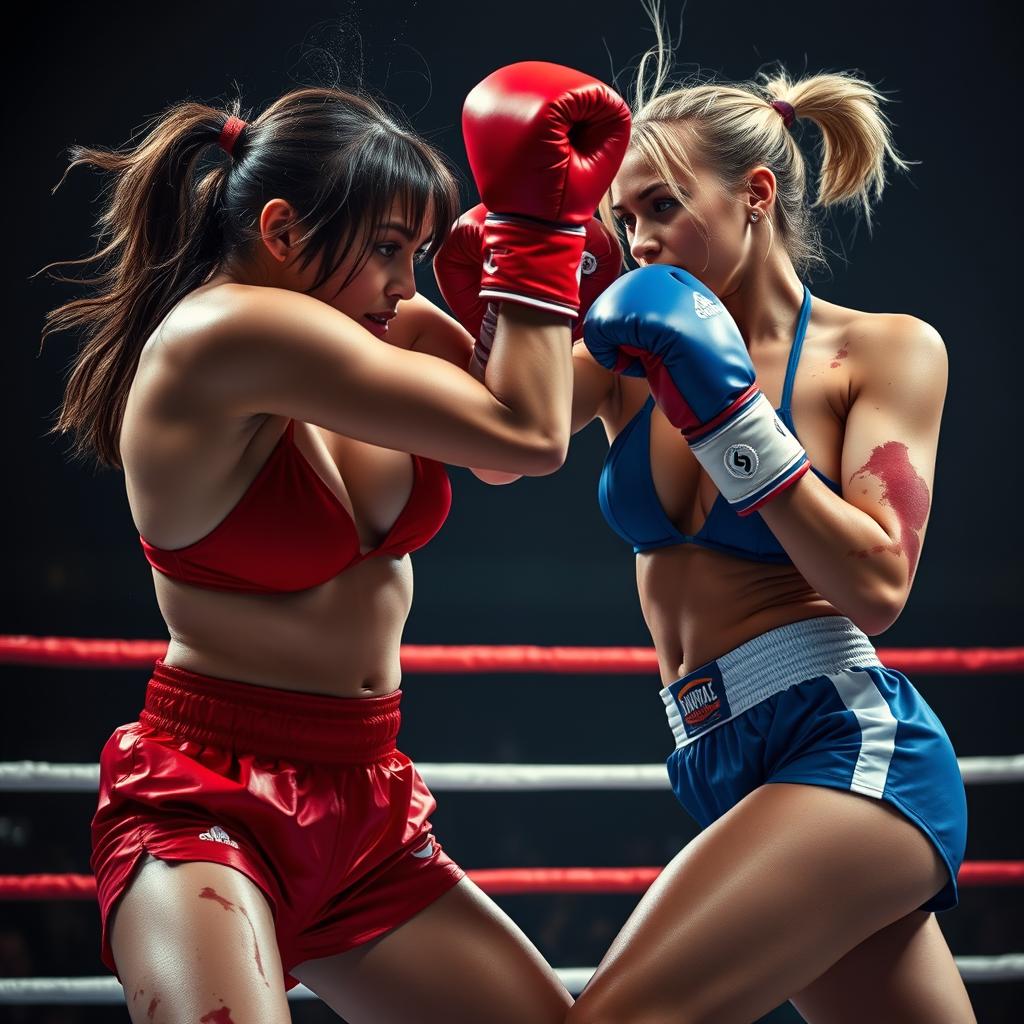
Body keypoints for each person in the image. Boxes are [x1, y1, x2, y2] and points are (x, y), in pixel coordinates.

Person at [42, 64, 629, 1023]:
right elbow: (526, 432)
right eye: (391, 248)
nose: (406, 282)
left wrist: (639, 305)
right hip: (210, 801)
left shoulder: (370, 325)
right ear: (279, 233)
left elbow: (513, 446)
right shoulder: (225, 331)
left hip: (368, 802)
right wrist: (537, 237)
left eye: (421, 250)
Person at [449, 34, 975, 1024]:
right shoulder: (627, 343)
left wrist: (729, 418)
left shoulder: (881, 350)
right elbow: (502, 448)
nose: (638, 240)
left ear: (756, 195)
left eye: (661, 206)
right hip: (716, 753)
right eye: (620, 217)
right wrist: (522, 262)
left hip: (843, 738)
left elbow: (878, 584)